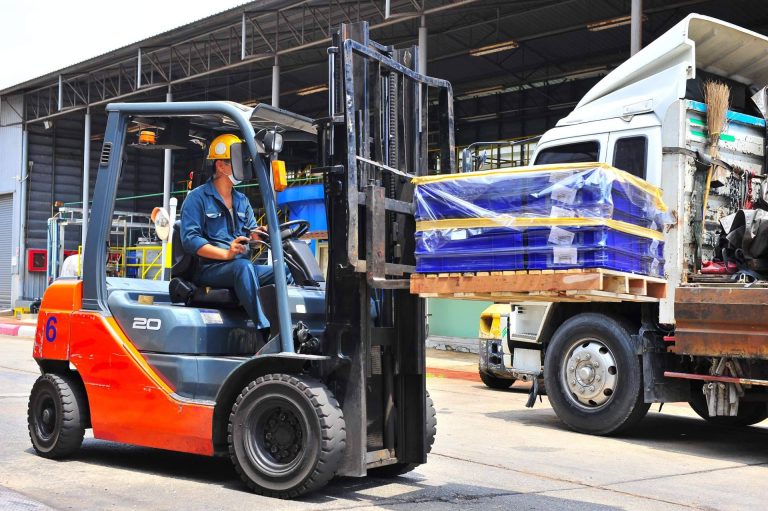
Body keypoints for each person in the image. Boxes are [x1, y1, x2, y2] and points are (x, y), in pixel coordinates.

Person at [181, 133, 284, 337]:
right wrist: (226, 254)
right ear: (220, 165)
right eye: (238, 162)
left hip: (239, 266)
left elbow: (251, 234)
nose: (243, 168)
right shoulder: (197, 198)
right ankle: (264, 330)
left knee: (284, 271)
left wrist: (258, 236)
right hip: (210, 268)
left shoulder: (242, 200)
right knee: (243, 268)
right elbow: (190, 240)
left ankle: (287, 325)